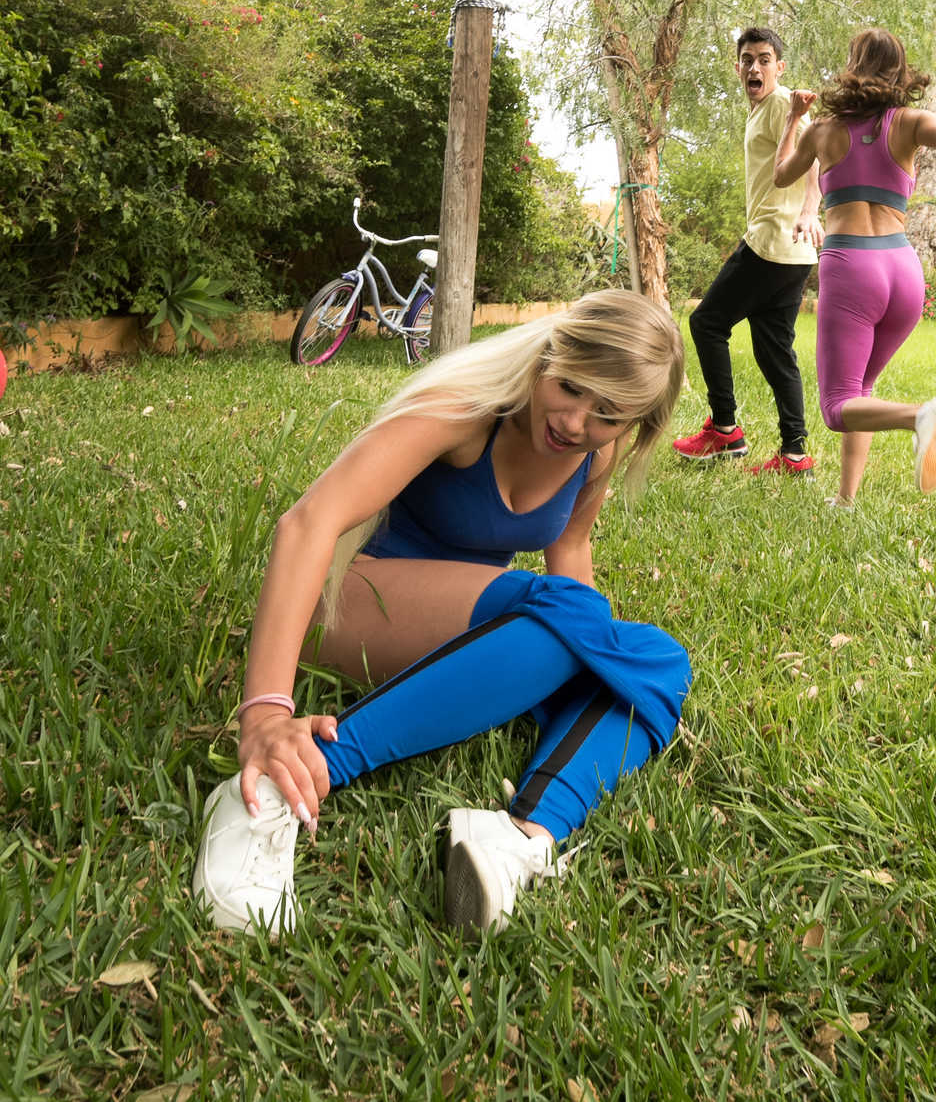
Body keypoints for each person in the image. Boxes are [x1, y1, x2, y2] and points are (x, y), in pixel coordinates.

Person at [193, 290, 691, 936]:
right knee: (575, 616)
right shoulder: (468, 407)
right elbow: (309, 521)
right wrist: (264, 712)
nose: (575, 422)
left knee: (660, 657)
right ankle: (283, 783)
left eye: (608, 414)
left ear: (635, 423)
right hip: (350, 604)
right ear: (551, 354)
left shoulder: (597, 450)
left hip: (469, 625)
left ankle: (522, 837)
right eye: (571, 386)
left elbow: (569, 548)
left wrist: (590, 665)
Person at [774, 27, 936, 506]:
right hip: (903, 270)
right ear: (899, 72)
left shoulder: (822, 131)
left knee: (837, 408)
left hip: (852, 267)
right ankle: (846, 499)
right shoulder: (910, 122)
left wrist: (793, 119)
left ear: (852, 66)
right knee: (861, 390)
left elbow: (781, 175)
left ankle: (920, 416)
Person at [670, 26, 822, 476]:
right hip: (792, 254)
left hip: (772, 241)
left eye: (764, 59)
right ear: (737, 67)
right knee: (775, 352)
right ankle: (794, 453)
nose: (755, 67)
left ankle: (725, 430)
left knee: (706, 323)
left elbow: (815, 155)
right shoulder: (762, 110)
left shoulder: (781, 104)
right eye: (748, 59)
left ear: (780, 66)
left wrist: (810, 210)